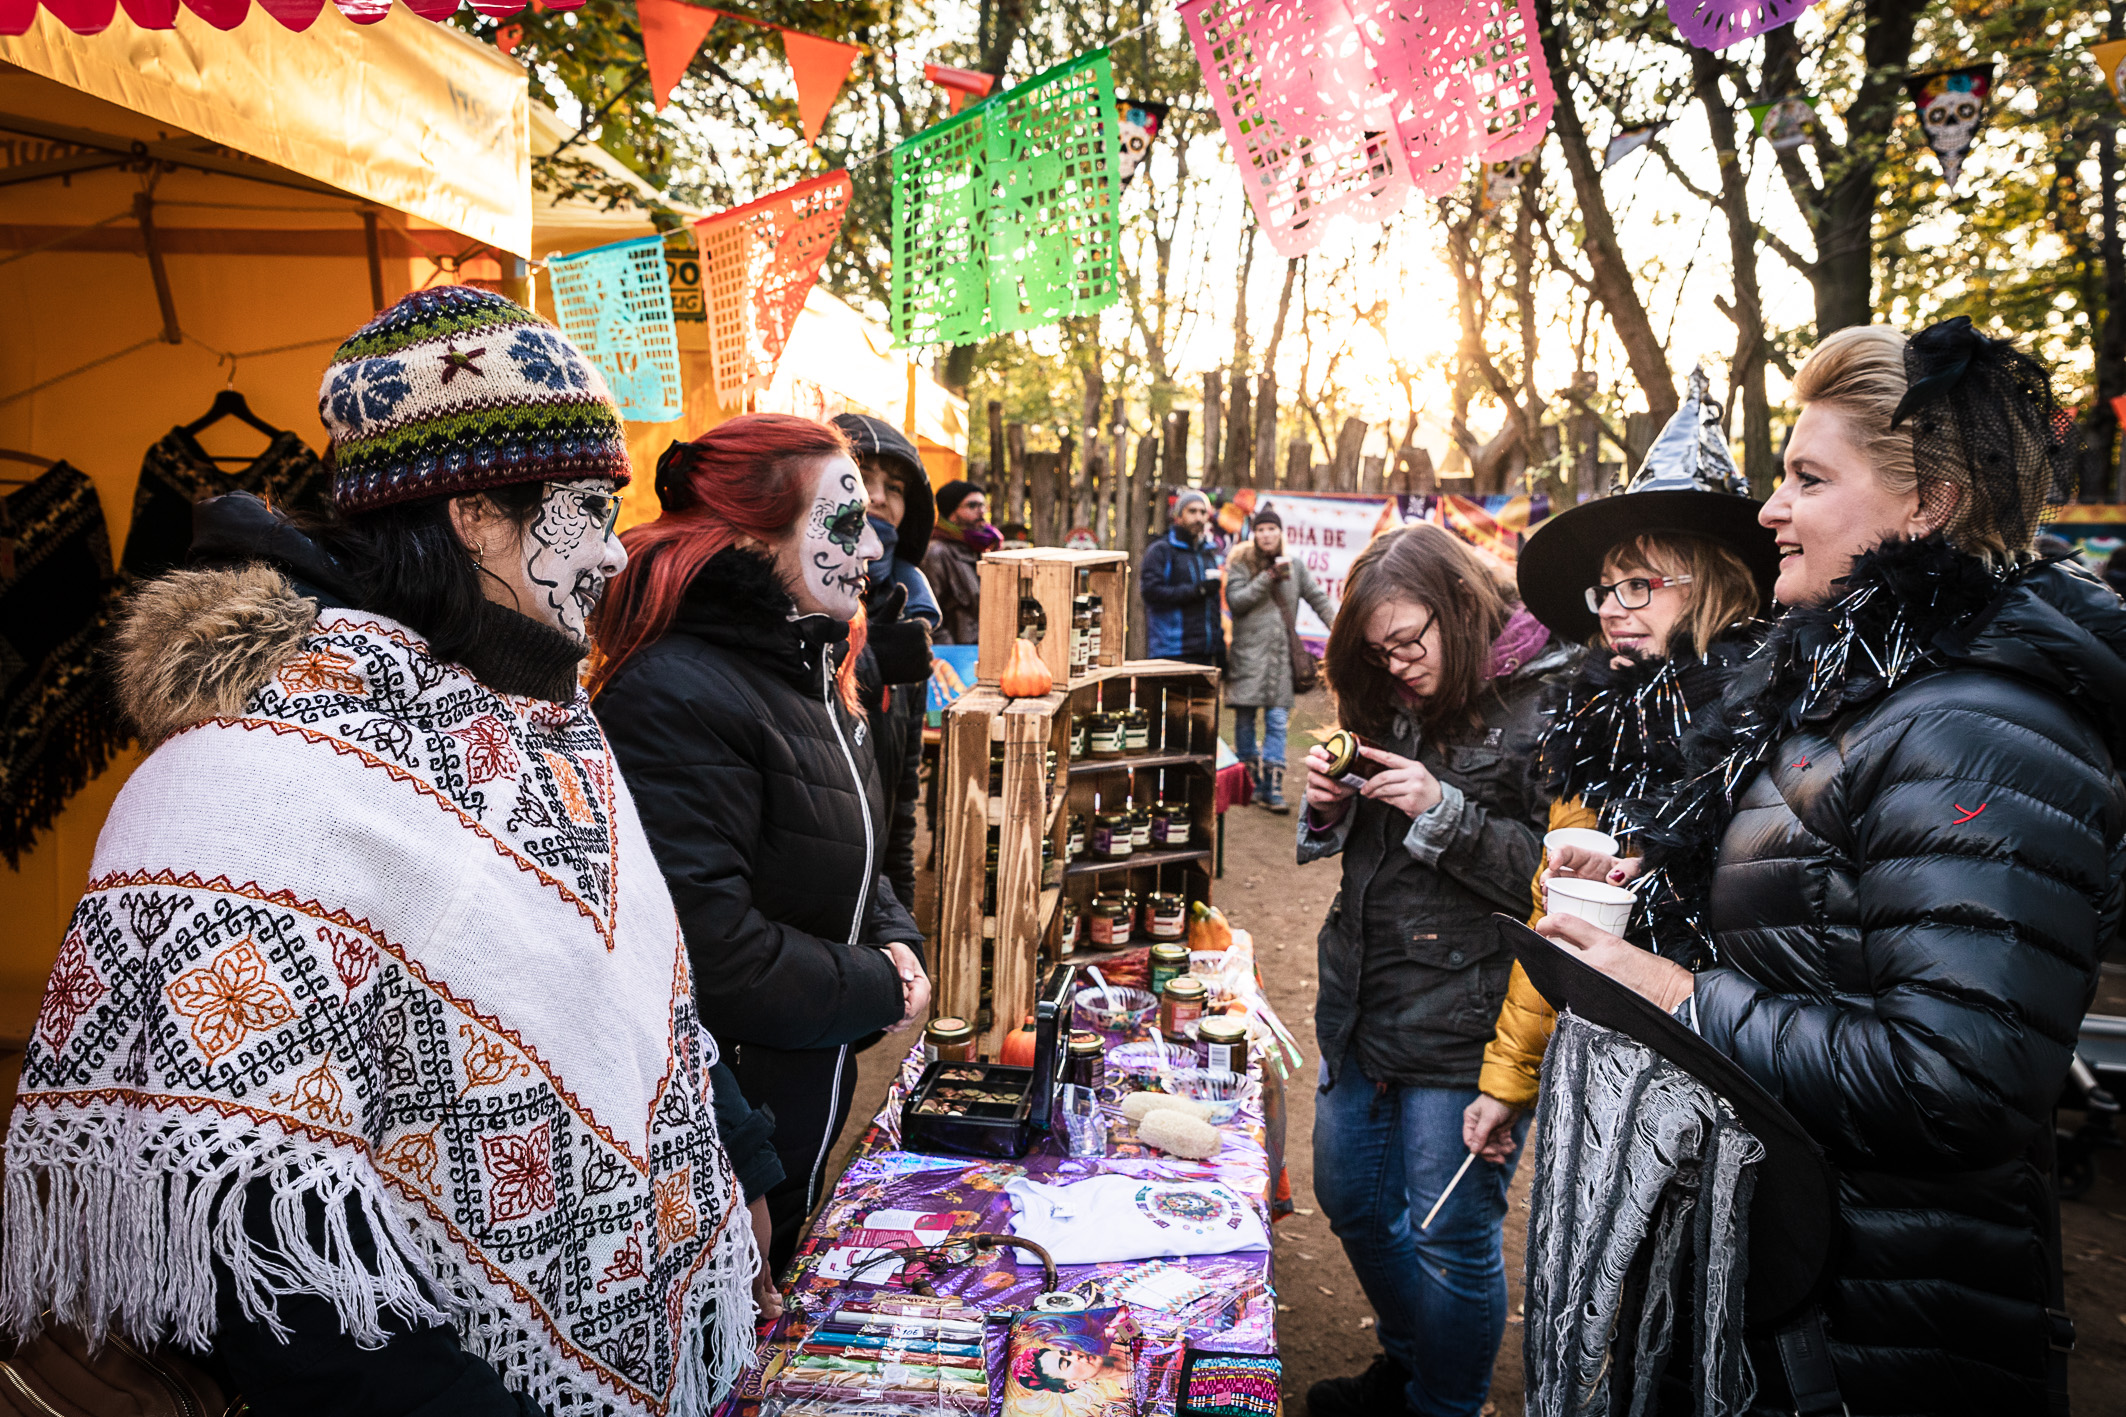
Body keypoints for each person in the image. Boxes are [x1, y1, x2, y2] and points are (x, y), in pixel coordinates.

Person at [0, 288, 761, 1416]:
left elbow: (630, 980)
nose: (613, 550)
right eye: (590, 510)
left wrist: (742, 1157)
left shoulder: (537, 721)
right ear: (474, 514)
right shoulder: (247, 775)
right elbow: (268, 1250)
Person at [1543, 319, 2126, 1413]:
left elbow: (1955, 1078)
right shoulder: (1865, 690)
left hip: (1876, 1330)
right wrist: (1645, 874)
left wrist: (1676, 997)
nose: (1771, 510)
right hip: (1794, 1281)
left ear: (1929, 504)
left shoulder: (1969, 727)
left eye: (1808, 479)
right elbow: (1822, 923)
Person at [592, 413, 933, 1273]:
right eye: (846, 525)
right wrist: (882, 984)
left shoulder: (814, 670)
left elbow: (848, 842)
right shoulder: (672, 692)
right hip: (714, 1150)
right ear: (752, 538)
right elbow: (713, 955)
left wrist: (896, 933)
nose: (871, 551)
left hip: (797, 1107)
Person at [1295, 524, 1578, 1417]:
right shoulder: (1386, 690)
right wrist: (1326, 804)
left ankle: (1444, 1404)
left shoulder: (1553, 698)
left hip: (1469, 1019)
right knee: (1349, 1198)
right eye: (1378, 652)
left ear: (1458, 603)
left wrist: (1443, 809)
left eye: (1408, 641)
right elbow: (1356, 842)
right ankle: (1413, 1360)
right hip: (1361, 993)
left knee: (1449, 1235)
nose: (1397, 664)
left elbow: (1565, 882)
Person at [1464, 374, 1777, 1163]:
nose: (1608, 607)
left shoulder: (1778, 725)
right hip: (1600, 1091)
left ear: (1716, 582)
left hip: (1737, 1101)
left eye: (1638, 584)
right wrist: (1509, 1077)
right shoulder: (1598, 726)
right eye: (1605, 588)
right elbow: (1562, 920)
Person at [834, 413, 939, 911]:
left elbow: (902, 802)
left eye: (894, 487)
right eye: (860, 475)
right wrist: (868, 660)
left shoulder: (910, 621)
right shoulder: (791, 605)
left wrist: (905, 920)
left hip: (876, 899)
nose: (876, 497)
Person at [1223, 505, 1334, 812]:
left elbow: (1317, 598)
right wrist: (1267, 578)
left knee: (1277, 721)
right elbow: (1236, 602)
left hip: (1281, 659)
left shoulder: (1294, 566)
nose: (1266, 535)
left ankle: (1272, 787)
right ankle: (1250, 782)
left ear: (1280, 533)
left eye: (1271, 529)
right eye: (1260, 530)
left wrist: (1339, 629)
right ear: (1254, 534)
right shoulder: (1241, 564)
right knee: (1245, 720)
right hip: (1247, 656)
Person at [1140, 489, 1226, 668]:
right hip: (1171, 651)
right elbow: (1151, 593)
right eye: (1192, 511)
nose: (1198, 518)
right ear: (1178, 516)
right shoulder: (1161, 550)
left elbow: (1213, 604)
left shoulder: (1208, 553)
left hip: (1205, 652)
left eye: (1203, 512)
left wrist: (1219, 649)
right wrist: (1197, 590)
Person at [925, 478, 997, 643]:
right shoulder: (937, 552)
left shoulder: (983, 548)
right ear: (952, 514)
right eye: (972, 506)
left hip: (986, 646)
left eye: (983, 505)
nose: (981, 511)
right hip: (958, 652)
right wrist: (949, 652)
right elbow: (929, 615)